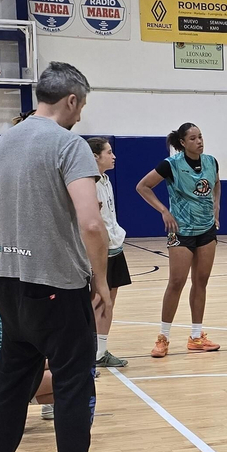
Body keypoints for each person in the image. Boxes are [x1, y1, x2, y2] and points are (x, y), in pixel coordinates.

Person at [0, 62, 127, 452]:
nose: (81, 115)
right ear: (72, 100)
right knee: (75, 385)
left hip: (10, 287)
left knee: (12, 384)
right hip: (58, 289)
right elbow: (91, 221)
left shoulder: (7, 140)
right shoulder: (69, 144)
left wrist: (12, 252)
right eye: (83, 105)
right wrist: (100, 280)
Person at [137, 122, 221, 358]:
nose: (199, 141)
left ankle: (196, 336)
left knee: (201, 282)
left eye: (201, 137)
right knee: (176, 282)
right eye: (193, 138)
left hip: (206, 230)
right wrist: (164, 211)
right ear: (183, 143)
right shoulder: (171, 165)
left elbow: (216, 184)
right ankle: (163, 337)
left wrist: (216, 208)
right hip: (181, 230)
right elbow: (143, 186)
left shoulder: (211, 162)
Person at [89, 137, 131, 368]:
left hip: (115, 247)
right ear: (95, 156)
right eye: (109, 152)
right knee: (94, 302)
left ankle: (100, 352)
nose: (113, 156)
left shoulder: (105, 180)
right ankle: (88, 354)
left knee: (108, 303)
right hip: (98, 251)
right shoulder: (88, 183)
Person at [0, 308, 54, 420]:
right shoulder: (25, 310)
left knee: (66, 367)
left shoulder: (11, 302)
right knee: (79, 378)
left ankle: (8, 402)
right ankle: (5, 403)